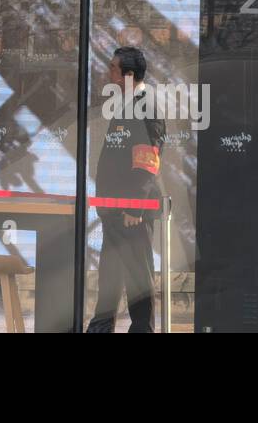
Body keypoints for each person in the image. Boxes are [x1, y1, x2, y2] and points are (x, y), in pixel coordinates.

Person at [88, 46, 165, 333]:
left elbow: (148, 157)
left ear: (128, 75)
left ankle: (142, 330)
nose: (108, 72)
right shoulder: (127, 102)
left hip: (132, 210)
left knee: (137, 277)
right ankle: (100, 327)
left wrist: (135, 206)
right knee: (110, 273)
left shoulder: (147, 104)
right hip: (113, 208)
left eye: (113, 68)